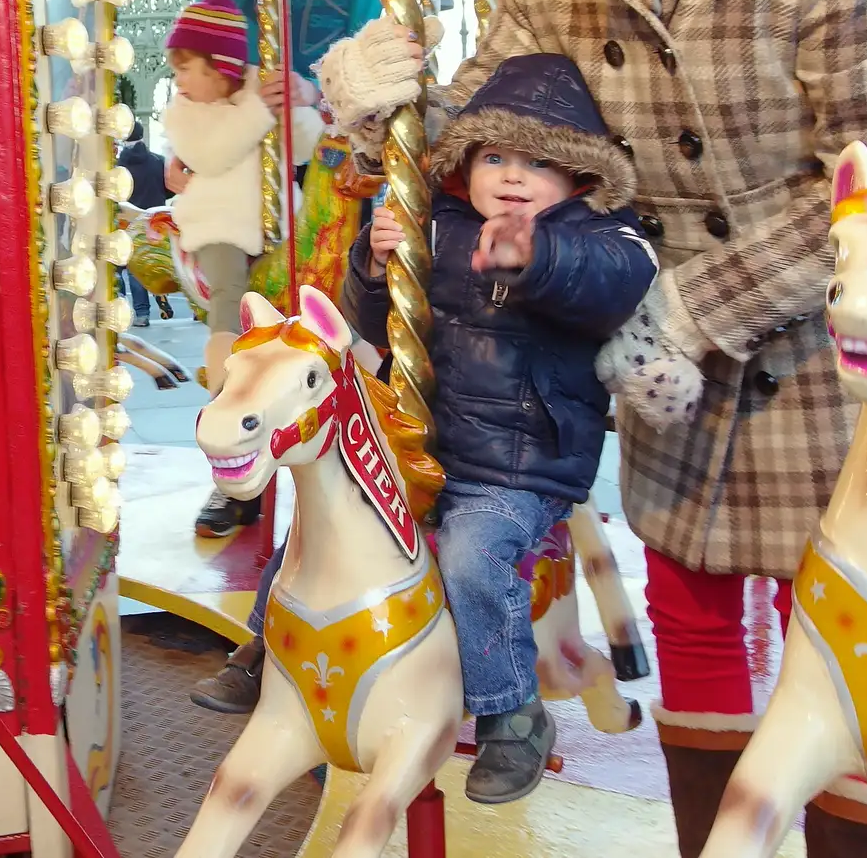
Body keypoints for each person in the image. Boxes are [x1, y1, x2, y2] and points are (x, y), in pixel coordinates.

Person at [315, 0, 867, 851]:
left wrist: (687, 308)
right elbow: (498, 119)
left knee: (848, 624)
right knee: (692, 602)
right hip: (652, 340)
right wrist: (375, 105)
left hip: (817, 331)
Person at [200, 56, 655, 809]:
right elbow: (372, 327)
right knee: (321, 524)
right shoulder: (438, 225)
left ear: (578, 177)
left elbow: (608, 284)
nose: (512, 177)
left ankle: (512, 711)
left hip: (520, 464)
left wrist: (533, 254)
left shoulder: (602, 235)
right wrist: (376, 266)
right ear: (467, 163)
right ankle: (263, 647)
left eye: (540, 163)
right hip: (428, 445)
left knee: (475, 555)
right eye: (495, 157)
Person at [170, 0, 383, 538]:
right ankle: (237, 482)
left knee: (332, 330)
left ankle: (353, 472)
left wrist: (315, 90)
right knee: (245, 338)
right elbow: (199, 79)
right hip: (242, 176)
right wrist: (183, 150)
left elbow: (378, 64)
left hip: (322, 170)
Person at [162, 0, 324, 403]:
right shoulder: (183, 113)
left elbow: (306, 145)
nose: (176, 78)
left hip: (280, 221)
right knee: (228, 292)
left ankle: (355, 363)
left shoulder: (256, 92)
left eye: (184, 68)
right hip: (220, 223)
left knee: (323, 278)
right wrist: (260, 110)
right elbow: (212, 154)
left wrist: (293, 106)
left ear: (218, 67)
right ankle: (224, 387)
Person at [115, 120, 170, 326]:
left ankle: (130, 311)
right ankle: (151, 303)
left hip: (125, 222)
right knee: (152, 263)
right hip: (154, 221)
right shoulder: (157, 161)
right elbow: (170, 187)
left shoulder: (118, 167)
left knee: (123, 268)